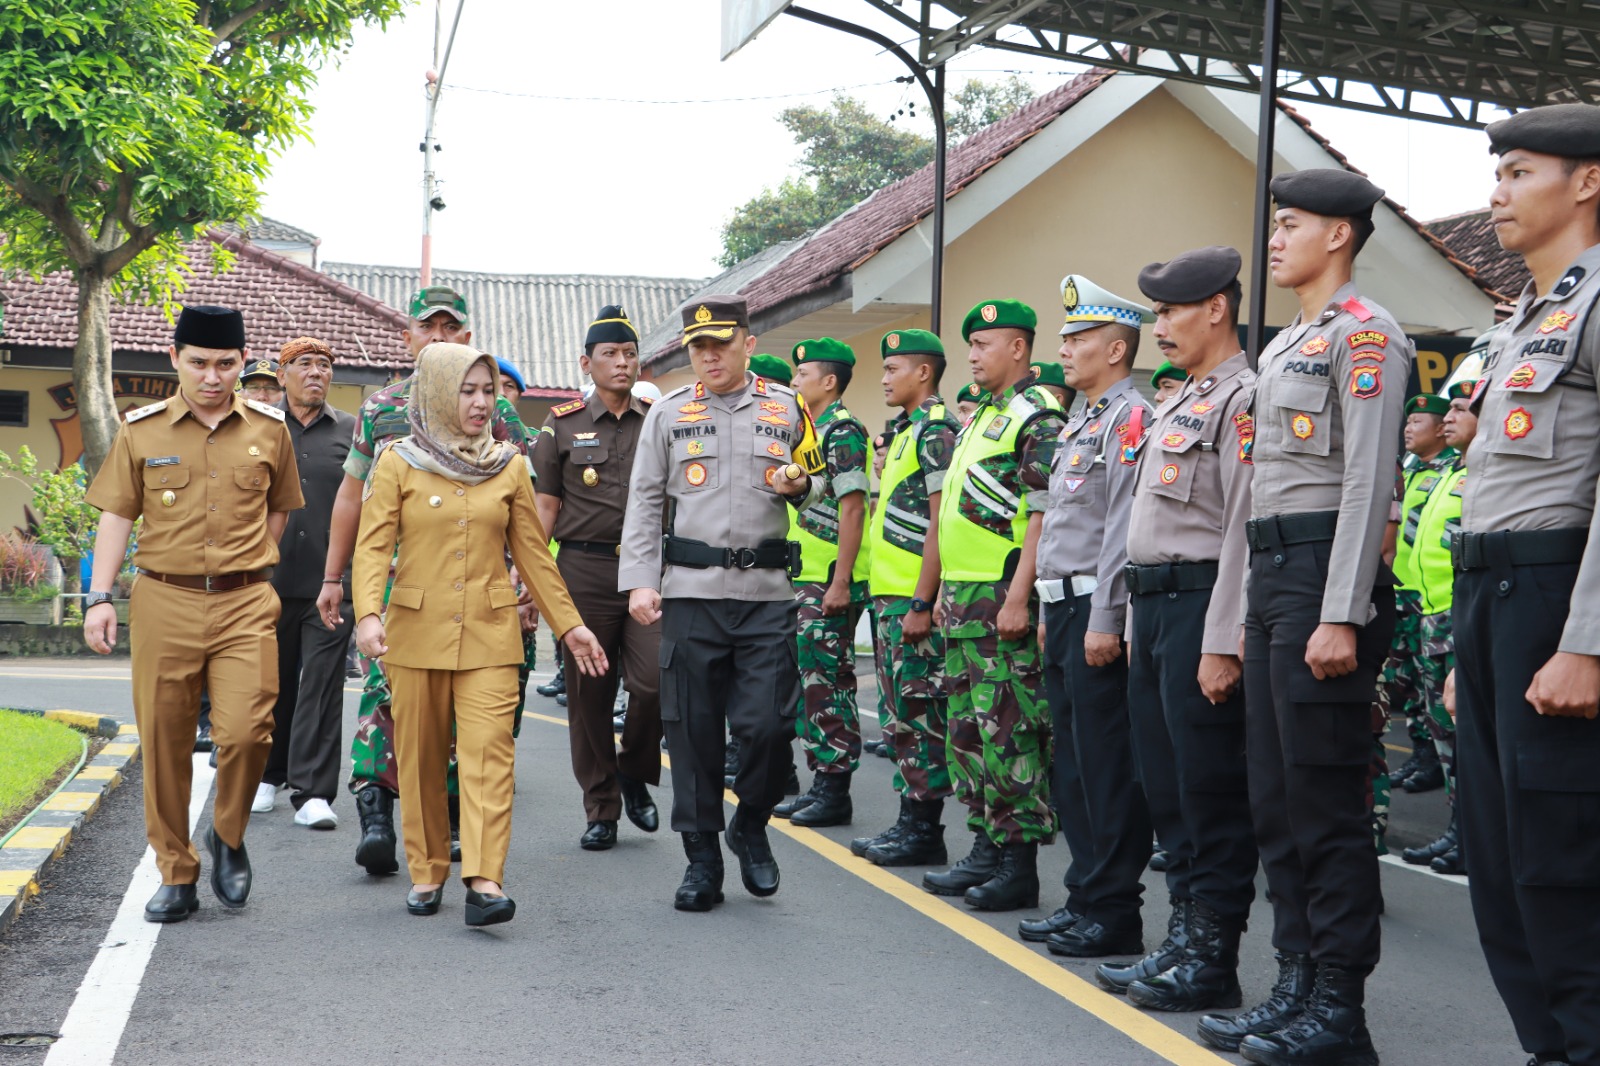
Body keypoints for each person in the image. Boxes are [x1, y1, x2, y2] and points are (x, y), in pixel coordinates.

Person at [1197, 169, 1410, 1065]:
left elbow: (1368, 482)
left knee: (1325, 807)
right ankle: (1293, 983)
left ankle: (1339, 1010)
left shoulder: (1367, 338)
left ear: (1339, 236)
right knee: (1276, 802)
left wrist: (1343, 613)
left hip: (1326, 576)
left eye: (1291, 225)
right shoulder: (1287, 346)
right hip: (1277, 578)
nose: (1274, 240)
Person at [353, 344, 605, 925]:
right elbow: (372, 548)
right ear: (440, 392)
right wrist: (369, 614)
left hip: (492, 633)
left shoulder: (509, 464)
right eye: (467, 391)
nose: (480, 402)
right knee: (417, 757)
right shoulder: (398, 461)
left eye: (487, 391)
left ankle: (486, 881)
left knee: (490, 754)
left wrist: (571, 627)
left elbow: (535, 558)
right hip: (413, 633)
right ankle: (427, 869)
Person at [1451, 103, 1600, 1066]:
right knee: (1499, 853)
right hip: (1491, 599)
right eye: (1497, 174)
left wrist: (1586, 640)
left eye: (1519, 173)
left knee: (1560, 852)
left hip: (1556, 595)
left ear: (1587, 181)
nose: (1497, 192)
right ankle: (1549, 1046)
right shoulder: (1523, 320)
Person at [82, 305, 303, 922]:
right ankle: (175, 870)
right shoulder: (142, 430)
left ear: (241, 364)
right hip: (164, 598)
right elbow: (118, 515)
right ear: (173, 358)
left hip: (245, 601)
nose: (212, 376)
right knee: (165, 739)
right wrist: (100, 596)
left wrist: (253, 562)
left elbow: (279, 509)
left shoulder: (270, 428)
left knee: (246, 731)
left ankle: (228, 834)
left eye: (226, 364)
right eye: (200, 363)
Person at [315, 286, 536, 877]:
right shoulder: (382, 407)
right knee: (383, 696)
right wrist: (334, 577)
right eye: (426, 327)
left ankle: (452, 823)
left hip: (474, 587)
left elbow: (526, 503)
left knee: (469, 716)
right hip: (391, 582)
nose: (437, 337)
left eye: (450, 328)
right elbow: (350, 495)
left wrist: (523, 586)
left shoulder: (499, 414)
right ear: (408, 336)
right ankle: (378, 813)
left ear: (466, 338)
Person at [619, 295, 826, 912]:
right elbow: (646, 500)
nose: (709, 357)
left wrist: (801, 485)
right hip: (691, 595)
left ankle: (751, 826)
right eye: (698, 348)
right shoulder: (672, 414)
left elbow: (812, 491)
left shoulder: (788, 408)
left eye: (721, 344)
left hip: (766, 597)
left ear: (748, 343)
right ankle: (702, 859)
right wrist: (640, 580)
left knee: (767, 729)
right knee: (693, 733)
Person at [1099, 247, 1257, 1011]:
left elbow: (1241, 530)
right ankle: (1181, 942)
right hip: (1154, 607)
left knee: (1210, 791)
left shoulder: (1242, 398)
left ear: (1217, 309)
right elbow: (1143, 524)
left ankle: (1213, 957)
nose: (1157, 326)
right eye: (1155, 312)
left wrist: (1223, 639)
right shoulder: (1178, 400)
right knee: (1166, 789)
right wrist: (1130, 616)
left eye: (1169, 312)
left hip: (1202, 608)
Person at [1027, 275, 1155, 956]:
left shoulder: (1130, 417)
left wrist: (1107, 616)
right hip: (1065, 604)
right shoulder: (1083, 418)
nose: (1064, 348)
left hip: (1096, 607)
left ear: (1114, 349)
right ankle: (1085, 893)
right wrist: (1051, 606)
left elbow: (1120, 529)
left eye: (1076, 338)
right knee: (1072, 763)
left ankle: (1114, 910)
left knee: (1106, 764)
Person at [924, 298, 1065, 912]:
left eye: (985, 344)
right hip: (962, 598)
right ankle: (984, 844)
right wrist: (938, 595)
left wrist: (1018, 596)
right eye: (971, 343)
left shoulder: (1038, 416)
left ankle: (1019, 861)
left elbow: (1043, 512)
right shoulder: (985, 414)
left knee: (1009, 732)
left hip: (1000, 598)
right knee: (967, 733)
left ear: (1018, 348)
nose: (974, 354)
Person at [532, 305, 663, 852]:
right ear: (587, 363)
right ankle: (602, 806)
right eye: (609, 354)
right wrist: (531, 580)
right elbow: (544, 510)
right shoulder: (560, 424)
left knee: (654, 680)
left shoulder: (658, 420)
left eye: (629, 354)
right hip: (581, 569)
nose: (621, 363)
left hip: (647, 569)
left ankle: (634, 770)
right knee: (588, 691)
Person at [849, 327, 959, 866]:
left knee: (920, 714)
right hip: (889, 597)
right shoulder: (907, 431)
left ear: (923, 372)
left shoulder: (936, 431)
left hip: (912, 600)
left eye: (894, 368)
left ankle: (924, 830)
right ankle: (908, 821)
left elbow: (943, 521)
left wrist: (923, 600)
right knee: (899, 717)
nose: (885, 377)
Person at [255, 337, 356, 829]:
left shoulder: (352, 432)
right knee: (269, 683)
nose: (315, 372)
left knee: (321, 684)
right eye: (303, 364)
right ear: (281, 374)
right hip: (266, 582)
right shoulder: (258, 427)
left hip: (331, 584)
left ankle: (313, 791)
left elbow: (367, 504)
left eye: (324, 365)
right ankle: (267, 775)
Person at [774, 338, 871, 827]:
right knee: (811, 683)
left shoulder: (842, 431)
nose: (794, 382)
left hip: (828, 577)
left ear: (828, 382)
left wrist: (841, 580)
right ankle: (820, 782)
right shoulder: (809, 431)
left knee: (828, 683)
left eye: (802, 373)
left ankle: (834, 789)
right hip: (804, 574)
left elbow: (853, 506)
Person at [1398, 374, 1479, 877]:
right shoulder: (1448, 471)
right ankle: (1459, 831)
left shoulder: (1483, 474)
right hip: (1431, 618)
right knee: (1445, 735)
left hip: (1460, 618)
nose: (1450, 417)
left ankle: (1476, 836)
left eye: (1461, 409)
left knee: (1470, 737)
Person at [1380, 394, 1458, 795]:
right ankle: (1422, 754)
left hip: (1431, 601)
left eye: (1418, 421)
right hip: (1405, 592)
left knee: (1436, 693)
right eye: (1407, 421)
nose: (1408, 428)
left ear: (1442, 428)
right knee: (1408, 683)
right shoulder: (1411, 472)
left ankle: (1435, 762)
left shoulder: (1454, 473)